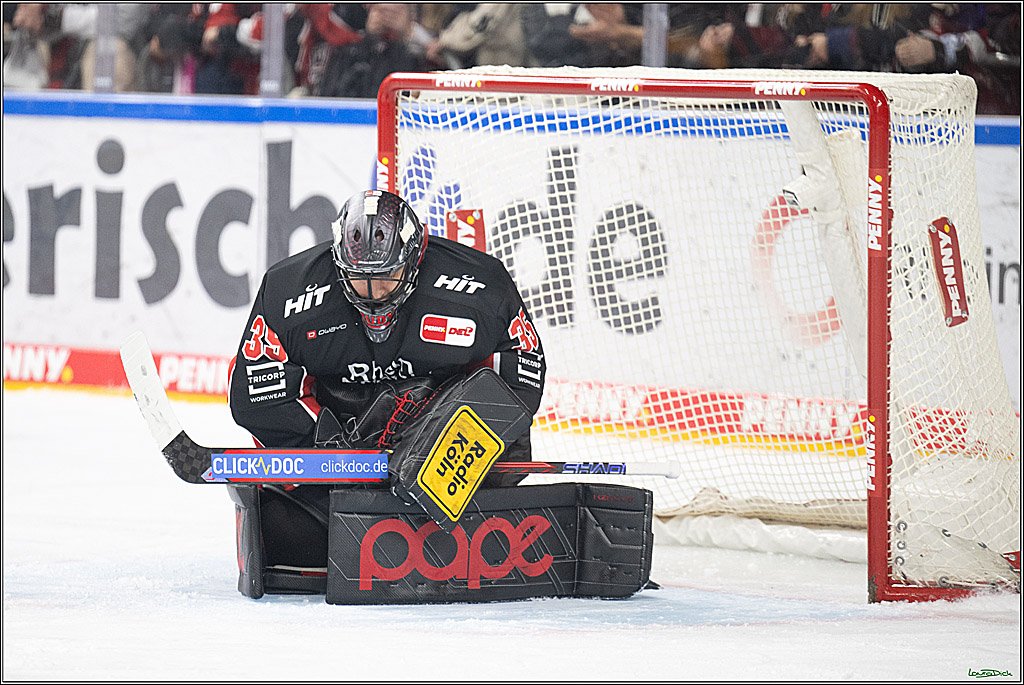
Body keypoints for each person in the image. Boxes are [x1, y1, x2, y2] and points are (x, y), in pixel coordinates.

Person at [227, 189, 546, 574]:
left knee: (510, 441)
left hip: (445, 451)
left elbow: (522, 369)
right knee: (292, 532)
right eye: (360, 279)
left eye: (386, 277)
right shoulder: (288, 291)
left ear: (414, 260)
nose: (374, 293)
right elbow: (253, 393)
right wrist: (335, 456)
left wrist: (452, 448)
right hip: (341, 447)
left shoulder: (479, 286)